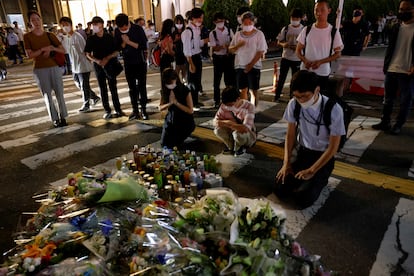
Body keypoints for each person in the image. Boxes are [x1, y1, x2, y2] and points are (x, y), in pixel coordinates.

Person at [274, 70, 345, 208]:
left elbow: (333, 148)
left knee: (303, 199)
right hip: (302, 152)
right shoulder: (293, 104)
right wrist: (286, 163)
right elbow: (290, 135)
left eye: (305, 96)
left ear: (317, 90)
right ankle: (306, 179)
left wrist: (312, 170)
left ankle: (321, 178)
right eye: (297, 96)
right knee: (279, 189)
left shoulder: (333, 109)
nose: (301, 100)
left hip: (323, 157)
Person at [372, 0, 414, 135]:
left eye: (407, 9)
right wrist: (386, 64)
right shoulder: (396, 27)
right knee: (388, 98)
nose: (402, 12)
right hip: (392, 68)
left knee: (405, 100)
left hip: (407, 71)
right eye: (401, 9)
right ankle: (385, 122)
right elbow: (390, 48)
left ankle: (398, 125)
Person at [24, 10, 68, 128]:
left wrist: (51, 49)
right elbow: (29, 55)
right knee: (47, 95)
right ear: (29, 23)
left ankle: (63, 116)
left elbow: (63, 50)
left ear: (41, 20)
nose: (36, 22)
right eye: (33, 20)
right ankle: (54, 119)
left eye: (38, 19)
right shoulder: (27, 37)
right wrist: (43, 50)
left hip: (54, 67)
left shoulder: (50, 35)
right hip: (39, 69)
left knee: (59, 93)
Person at [295, 0, 343, 96]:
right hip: (305, 71)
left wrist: (321, 62)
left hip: (322, 73)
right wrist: (304, 60)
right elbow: (298, 50)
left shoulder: (333, 32)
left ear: (329, 11)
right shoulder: (307, 30)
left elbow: (338, 54)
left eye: (322, 10)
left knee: (320, 99)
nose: (318, 13)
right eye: (316, 10)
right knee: (304, 97)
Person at [85, 16, 125, 119]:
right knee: (102, 88)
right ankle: (107, 110)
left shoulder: (109, 37)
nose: (94, 27)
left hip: (110, 65)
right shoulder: (91, 39)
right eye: (93, 25)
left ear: (101, 25)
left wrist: (108, 58)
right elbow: (87, 53)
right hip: (98, 66)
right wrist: (97, 61)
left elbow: (116, 51)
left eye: (96, 25)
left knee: (113, 88)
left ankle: (118, 109)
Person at [59, 16, 100, 113]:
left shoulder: (77, 37)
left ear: (71, 25)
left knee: (84, 85)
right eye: (63, 25)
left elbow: (86, 51)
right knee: (79, 84)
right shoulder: (67, 38)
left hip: (82, 65)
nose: (65, 27)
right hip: (74, 66)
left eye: (66, 25)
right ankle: (94, 97)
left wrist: (89, 62)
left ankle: (86, 104)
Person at [114, 13, 149, 120]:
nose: (123, 29)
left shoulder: (137, 29)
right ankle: (135, 110)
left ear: (128, 23)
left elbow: (143, 45)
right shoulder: (117, 31)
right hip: (128, 63)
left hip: (140, 62)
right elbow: (117, 47)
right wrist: (124, 44)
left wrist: (128, 42)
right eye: (121, 28)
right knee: (132, 88)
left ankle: (144, 110)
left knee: (142, 86)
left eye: (124, 26)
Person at [229, 11, 267, 107]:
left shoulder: (259, 34)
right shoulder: (238, 35)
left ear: (253, 23)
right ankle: (244, 110)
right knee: (243, 90)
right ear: (241, 24)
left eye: (250, 23)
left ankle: (253, 110)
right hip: (240, 65)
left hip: (254, 65)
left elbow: (260, 51)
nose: (247, 25)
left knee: (253, 90)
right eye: (245, 23)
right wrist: (238, 45)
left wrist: (251, 64)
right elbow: (230, 49)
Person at [213, 86, 256, 156]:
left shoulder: (249, 107)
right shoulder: (225, 105)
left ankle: (239, 148)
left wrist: (230, 124)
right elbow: (215, 122)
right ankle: (232, 147)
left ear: (238, 99)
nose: (228, 107)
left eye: (230, 105)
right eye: (227, 105)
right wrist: (227, 123)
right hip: (232, 131)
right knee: (217, 130)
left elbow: (245, 128)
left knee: (237, 135)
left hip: (248, 135)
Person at [159, 68, 195, 149]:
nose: (170, 85)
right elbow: (160, 107)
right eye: (168, 83)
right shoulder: (165, 90)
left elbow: (190, 110)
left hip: (184, 122)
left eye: (171, 82)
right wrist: (169, 103)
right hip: (170, 121)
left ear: (176, 79)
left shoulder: (185, 90)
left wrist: (176, 103)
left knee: (174, 145)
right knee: (163, 144)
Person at [274, 8, 304, 101]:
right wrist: (284, 44)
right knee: (281, 78)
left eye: (296, 18)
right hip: (286, 57)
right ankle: (277, 96)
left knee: (295, 80)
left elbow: (306, 44)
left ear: (300, 18)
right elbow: (279, 41)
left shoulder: (303, 29)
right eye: (292, 18)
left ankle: (292, 97)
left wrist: (298, 47)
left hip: (297, 58)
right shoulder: (286, 28)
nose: (294, 20)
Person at [182, 7, 208, 108]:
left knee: (197, 81)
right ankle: (191, 102)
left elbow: (196, 44)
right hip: (191, 58)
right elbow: (187, 50)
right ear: (192, 18)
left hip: (197, 56)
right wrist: (191, 64)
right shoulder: (187, 32)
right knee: (191, 82)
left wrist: (204, 41)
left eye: (202, 18)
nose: (201, 20)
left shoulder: (196, 29)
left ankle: (195, 101)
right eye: (199, 18)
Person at [173, 14, 187, 84]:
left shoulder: (185, 32)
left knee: (184, 71)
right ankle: (177, 85)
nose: (179, 24)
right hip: (176, 55)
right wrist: (175, 40)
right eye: (177, 23)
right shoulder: (173, 33)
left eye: (180, 23)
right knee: (176, 71)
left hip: (184, 54)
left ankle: (185, 84)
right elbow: (171, 44)